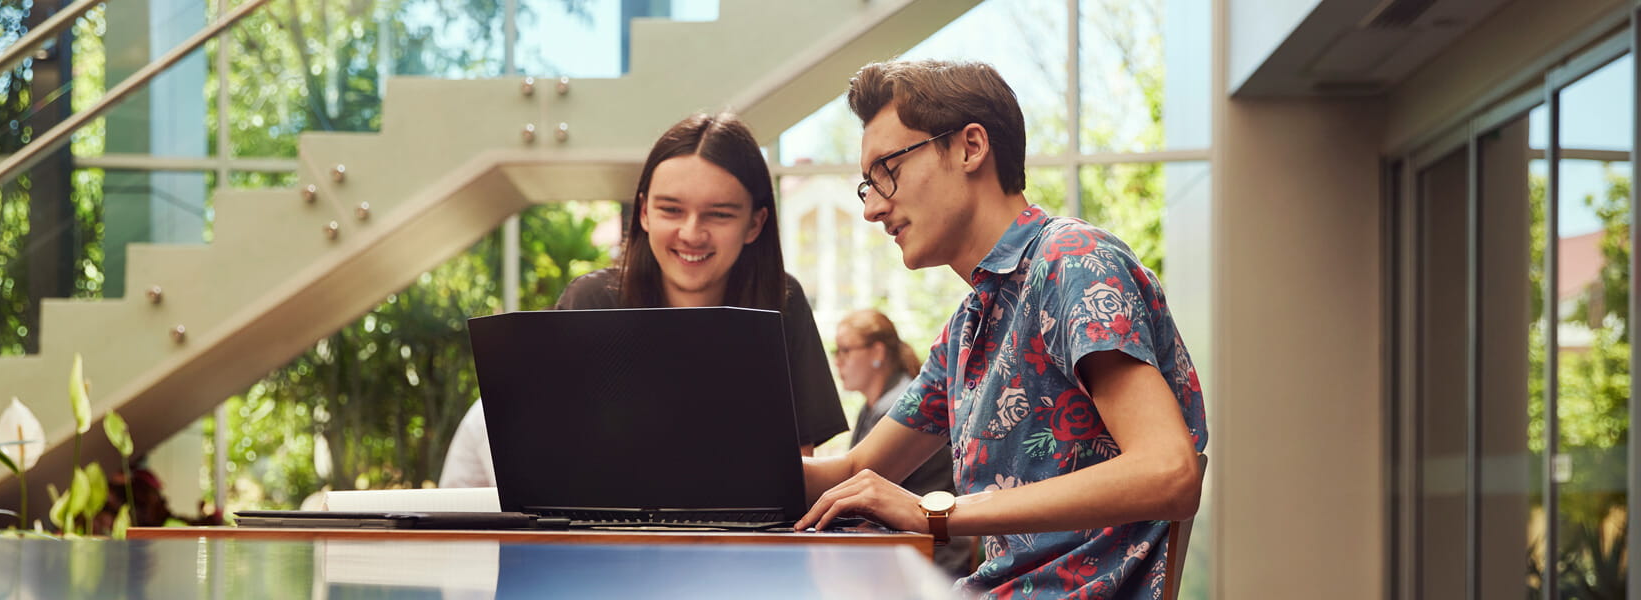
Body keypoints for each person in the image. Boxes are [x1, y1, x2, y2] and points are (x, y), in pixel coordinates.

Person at [794, 60, 1209, 598]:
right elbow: (852, 469)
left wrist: (935, 512)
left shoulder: (1074, 263)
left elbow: (1169, 472)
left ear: (970, 147)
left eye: (887, 169)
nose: (873, 207)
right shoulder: (967, 327)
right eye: (866, 185)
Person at [439, 113, 849, 488]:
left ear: (755, 223)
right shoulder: (592, 303)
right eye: (671, 210)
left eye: (719, 214)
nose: (691, 233)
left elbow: (794, 472)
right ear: (644, 213)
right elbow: (552, 462)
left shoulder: (782, 301)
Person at [833, 309, 971, 577]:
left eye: (845, 350)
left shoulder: (895, 407)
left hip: (929, 556)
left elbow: (859, 483)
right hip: (906, 548)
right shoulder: (874, 406)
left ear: (877, 353)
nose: (838, 361)